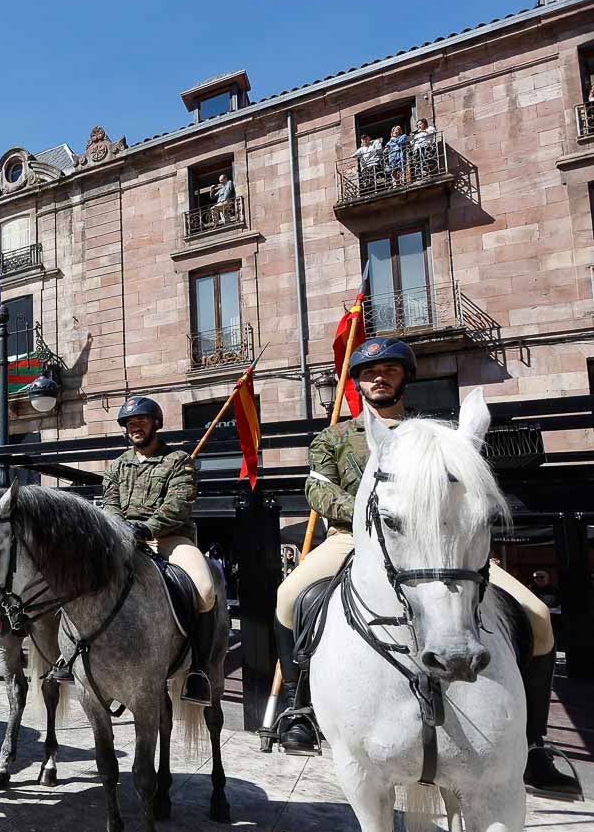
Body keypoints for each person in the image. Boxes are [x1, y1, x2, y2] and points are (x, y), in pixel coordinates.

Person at [272, 337, 578, 799]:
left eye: (389, 371)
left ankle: (532, 742)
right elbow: (317, 490)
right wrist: (371, 509)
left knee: (536, 616)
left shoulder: (438, 432)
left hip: (438, 545)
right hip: (354, 537)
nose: (379, 378)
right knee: (289, 597)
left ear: (404, 379)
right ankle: (300, 709)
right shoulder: (333, 438)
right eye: (369, 373)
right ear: (355, 382)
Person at [100, 396, 218, 704]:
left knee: (205, 590)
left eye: (141, 421)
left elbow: (177, 505)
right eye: (129, 424)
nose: (135, 428)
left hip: (168, 538)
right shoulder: (117, 465)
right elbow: (110, 503)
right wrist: (121, 530)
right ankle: (77, 656)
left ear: (156, 423)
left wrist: (146, 529)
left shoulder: (179, 460)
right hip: (124, 539)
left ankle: (199, 671)